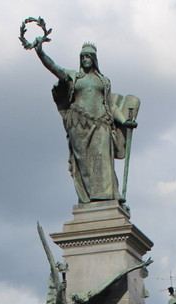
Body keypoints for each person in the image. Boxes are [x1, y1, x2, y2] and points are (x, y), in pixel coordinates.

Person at [34, 40, 138, 203]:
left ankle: (108, 195)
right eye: (83, 57)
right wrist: (40, 52)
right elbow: (54, 67)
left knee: (103, 159)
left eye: (89, 57)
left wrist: (124, 121)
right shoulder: (74, 77)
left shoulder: (103, 81)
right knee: (82, 161)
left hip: (101, 123)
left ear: (95, 59)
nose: (85, 59)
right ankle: (87, 198)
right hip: (79, 123)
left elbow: (110, 105)